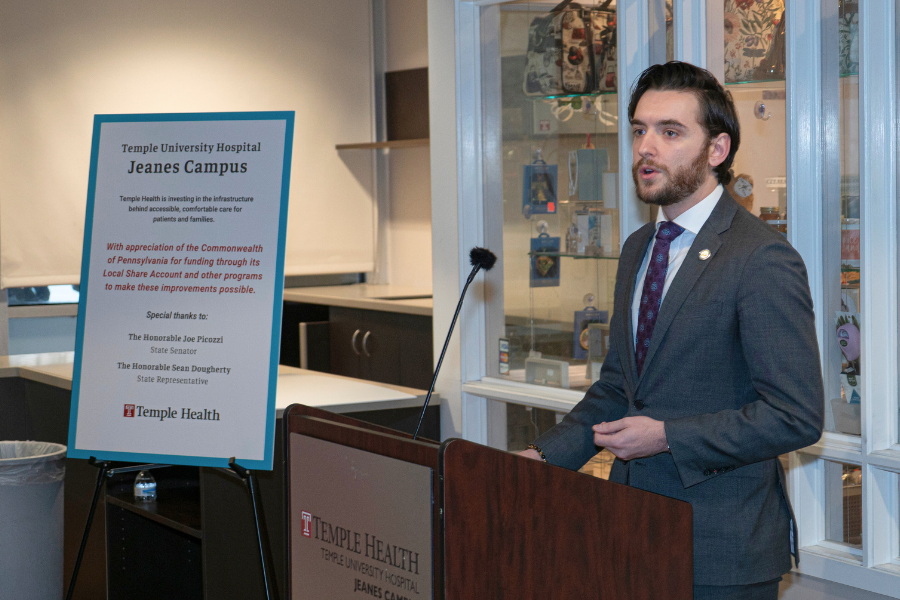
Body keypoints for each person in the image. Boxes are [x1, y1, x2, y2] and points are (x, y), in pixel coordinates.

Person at [519, 61, 824, 600]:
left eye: (670, 131)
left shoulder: (762, 259)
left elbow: (795, 417)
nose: (645, 147)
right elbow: (619, 387)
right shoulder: (640, 248)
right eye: (639, 130)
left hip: (721, 551)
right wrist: (541, 460)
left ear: (717, 150)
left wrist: (666, 435)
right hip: (631, 531)